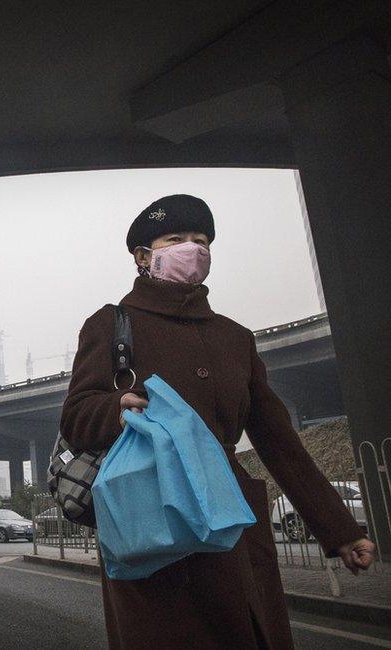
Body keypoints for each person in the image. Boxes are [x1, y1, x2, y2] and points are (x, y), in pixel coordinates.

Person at [60, 194, 375, 649]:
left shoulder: (235, 338)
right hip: (153, 523)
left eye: (201, 240)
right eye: (176, 239)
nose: (192, 248)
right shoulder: (111, 325)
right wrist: (118, 406)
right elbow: (76, 416)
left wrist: (340, 531)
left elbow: (280, 443)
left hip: (234, 526)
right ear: (144, 256)